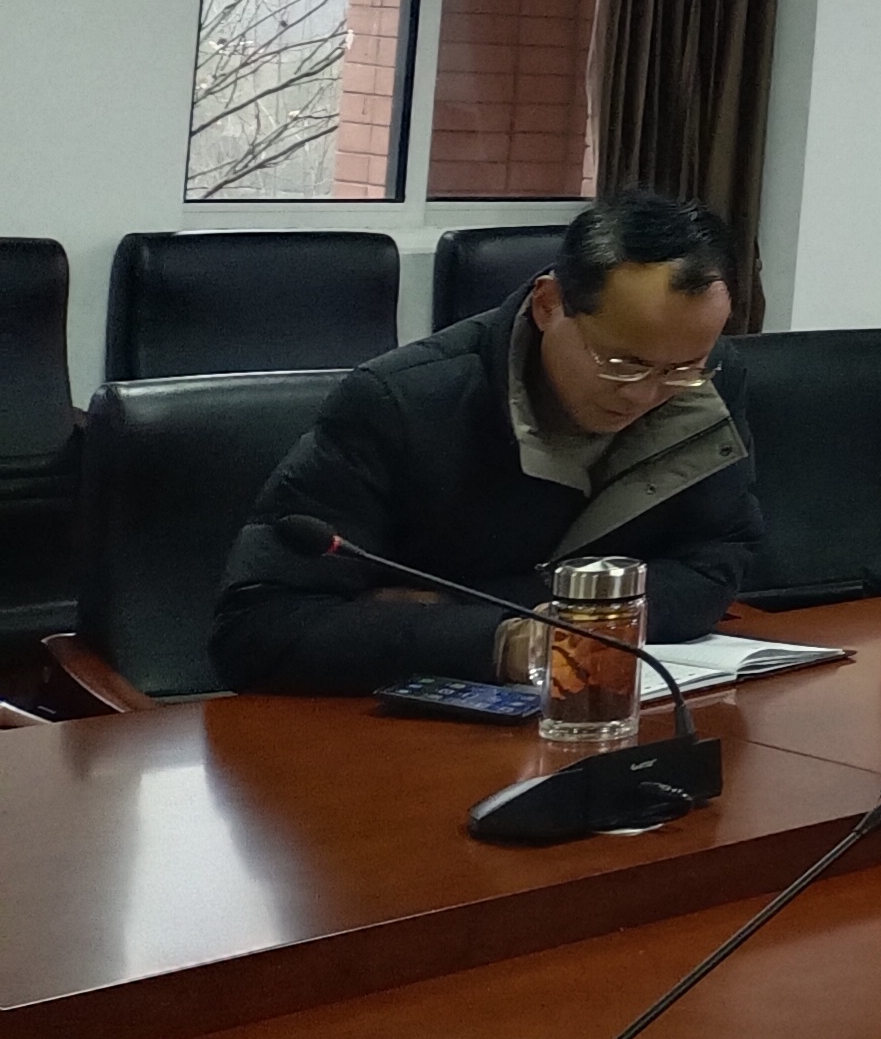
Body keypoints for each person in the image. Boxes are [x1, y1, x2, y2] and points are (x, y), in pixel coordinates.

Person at [211, 190, 760, 694]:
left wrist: (478, 607)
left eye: (682, 368)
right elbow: (255, 629)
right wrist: (496, 642)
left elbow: (712, 569)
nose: (645, 393)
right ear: (549, 305)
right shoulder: (400, 403)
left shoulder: (707, 386)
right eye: (622, 363)